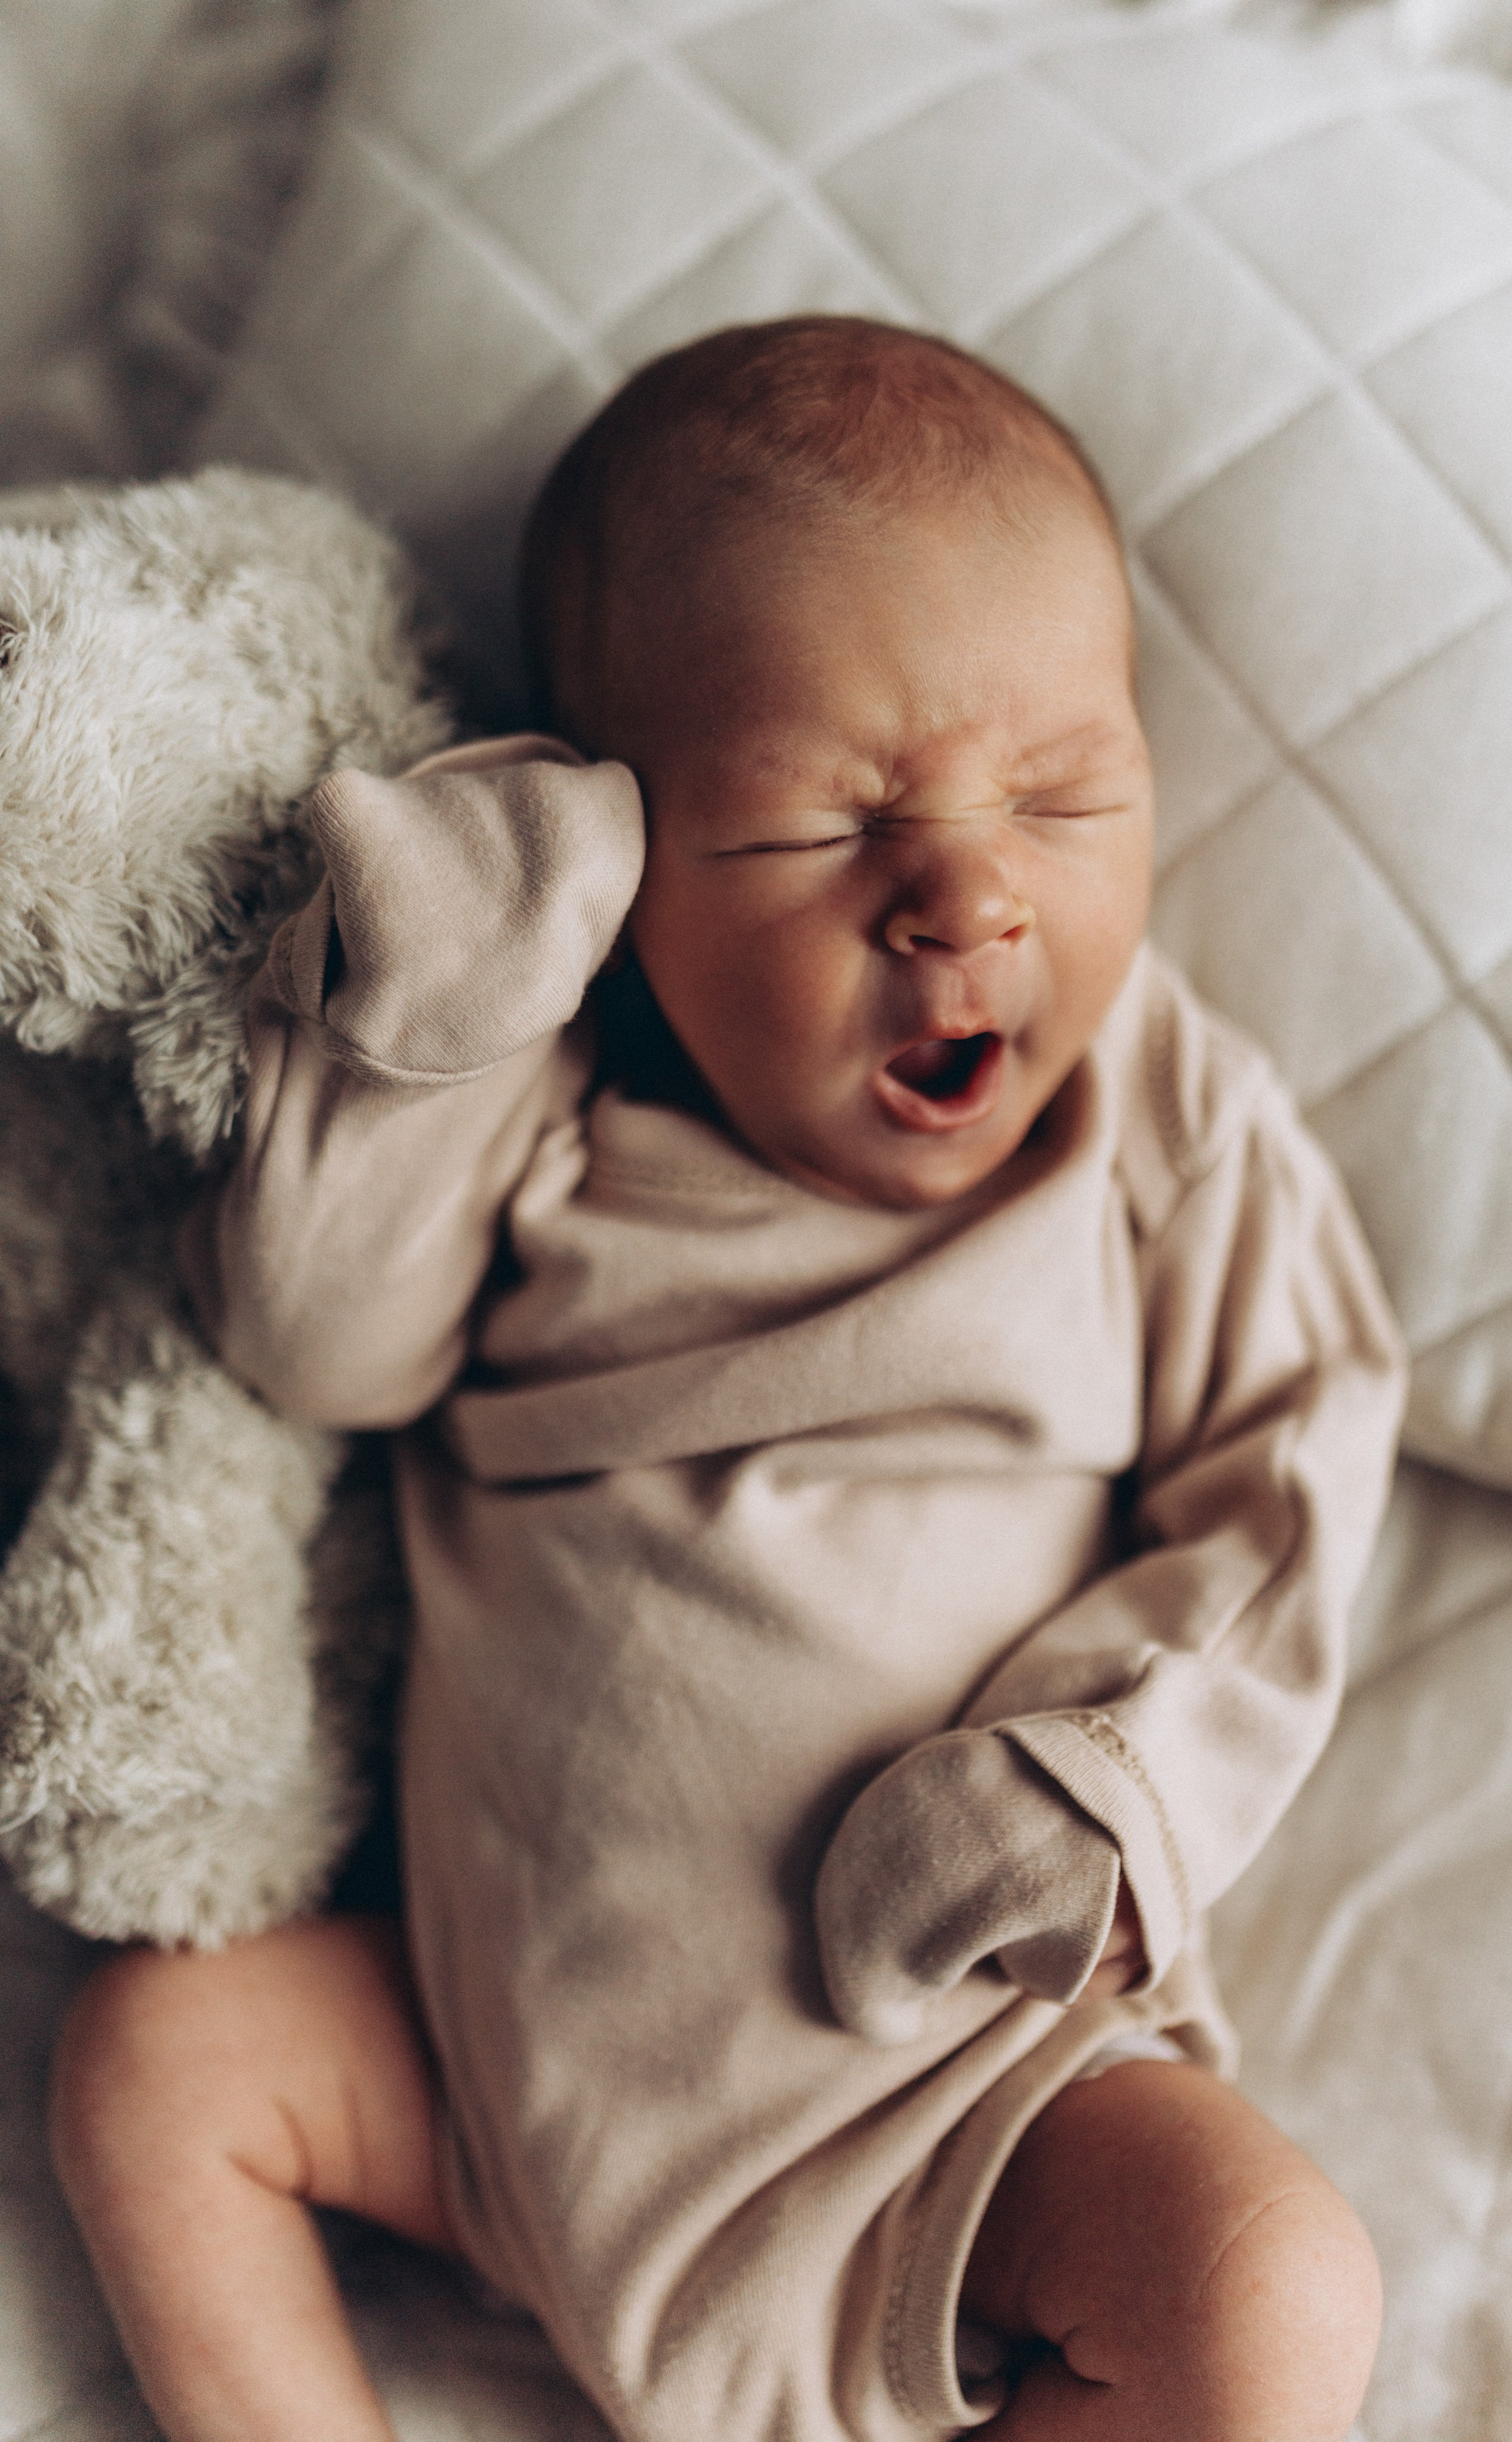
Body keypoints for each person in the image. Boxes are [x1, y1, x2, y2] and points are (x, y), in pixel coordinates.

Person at [48, 317, 1407, 2442]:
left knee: (1269, 2284)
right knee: (161, 2061)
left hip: (950, 2100)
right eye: (815, 830)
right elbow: (314, 1342)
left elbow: (1299, 1461)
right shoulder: (564, 1098)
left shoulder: (1158, 1115)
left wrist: (1111, 1786)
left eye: (1063, 794)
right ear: (636, 865)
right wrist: (441, 1015)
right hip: (498, 2091)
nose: (967, 888)